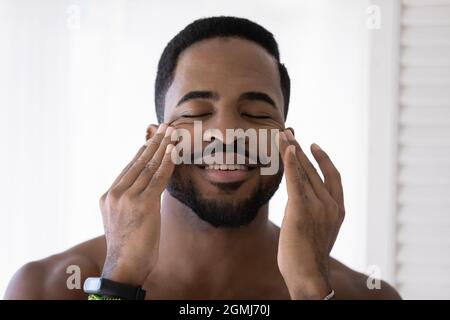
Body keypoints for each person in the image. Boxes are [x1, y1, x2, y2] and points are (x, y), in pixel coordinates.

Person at [5, 16, 401, 300]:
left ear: (286, 141)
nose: (226, 133)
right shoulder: (48, 289)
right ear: (152, 141)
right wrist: (119, 281)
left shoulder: (361, 295)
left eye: (257, 114)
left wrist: (311, 291)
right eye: (195, 114)